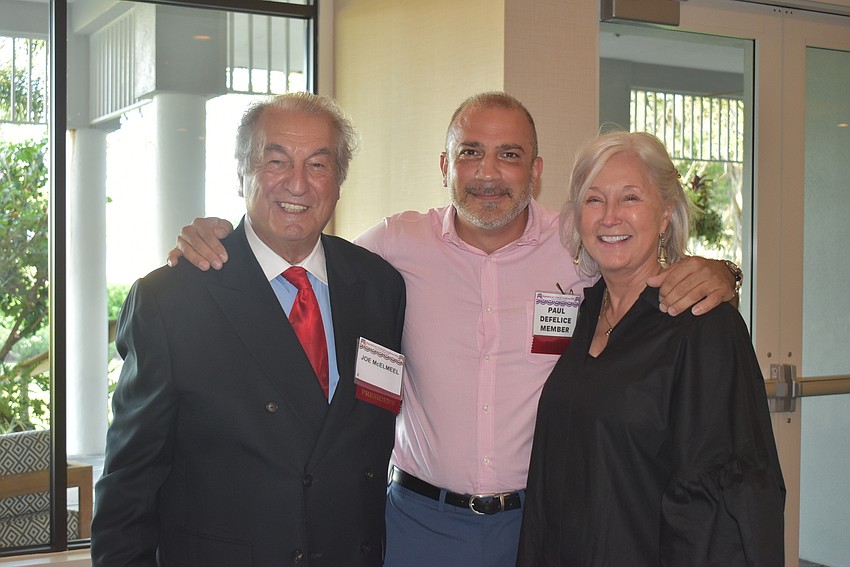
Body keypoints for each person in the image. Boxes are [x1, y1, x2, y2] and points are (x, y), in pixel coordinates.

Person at [168, 93, 738, 566]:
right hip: (418, 524)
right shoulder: (394, 246)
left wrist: (723, 270)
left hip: (542, 525)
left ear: (535, 172)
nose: (488, 173)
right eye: (470, 153)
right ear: (444, 166)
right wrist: (220, 239)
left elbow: (640, 259)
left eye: (510, 155)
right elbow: (298, 251)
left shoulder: (578, 243)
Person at [91, 92, 406, 566]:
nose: (298, 184)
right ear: (242, 172)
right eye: (276, 161)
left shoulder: (379, 286)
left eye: (318, 165)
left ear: (339, 180)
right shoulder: (173, 299)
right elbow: (129, 482)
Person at [516, 132, 785, 566]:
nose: (610, 217)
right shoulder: (584, 312)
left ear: (665, 216)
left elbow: (728, 500)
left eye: (631, 198)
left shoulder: (704, 326)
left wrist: (727, 272)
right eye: (594, 200)